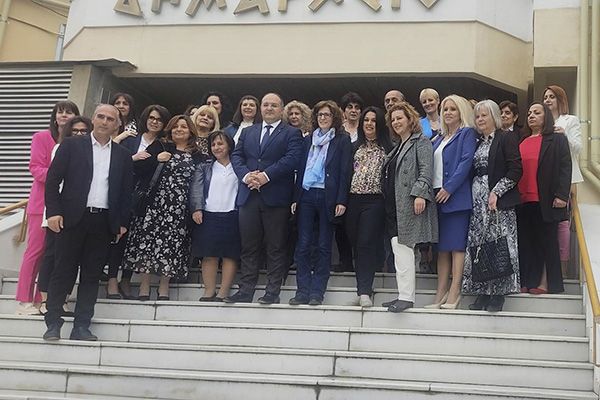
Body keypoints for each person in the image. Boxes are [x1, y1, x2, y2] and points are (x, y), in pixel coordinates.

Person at [43, 104, 133, 341]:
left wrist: (121, 222)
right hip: (71, 219)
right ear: (93, 119)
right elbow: (52, 180)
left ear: (118, 125)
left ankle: (81, 326)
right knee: (63, 272)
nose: (104, 121)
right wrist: (53, 212)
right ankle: (53, 323)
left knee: (92, 276)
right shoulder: (72, 145)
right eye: (100, 116)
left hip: (102, 222)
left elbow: (126, 192)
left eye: (110, 119)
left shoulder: (123, 155)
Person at [226, 92, 303, 304]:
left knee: (275, 246)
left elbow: (292, 159)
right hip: (249, 195)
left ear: (281, 109)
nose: (269, 108)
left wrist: (265, 176)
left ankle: (272, 292)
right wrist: (246, 176)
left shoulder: (291, 133)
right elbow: (236, 156)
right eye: (266, 105)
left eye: (274, 105)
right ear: (261, 108)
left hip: (276, 198)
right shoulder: (248, 131)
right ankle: (245, 290)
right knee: (248, 246)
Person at [123, 115, 201, 300]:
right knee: (148, 242)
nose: (179, 129)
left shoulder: (197, 154)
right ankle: (144, 286)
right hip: (155, 204)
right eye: (175, 127)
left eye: (183, 127)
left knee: (172, 245)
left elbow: (199, 182)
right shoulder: (160, 146)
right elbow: (138, 168)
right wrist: (156, 159)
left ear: (190, 131)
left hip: (179, 208)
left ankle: (164, 286)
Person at [15, 100, 80, 315]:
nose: (64, 116)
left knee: (53, 254)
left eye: (69, 112)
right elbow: (36, 168)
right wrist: (60, 176)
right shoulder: (42, 137)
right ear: (54, 117)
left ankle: (41, 299)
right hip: (41, 203)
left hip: (66, 205)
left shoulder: (77, 142)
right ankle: (24, 300)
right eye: (60, 112)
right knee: (35, 251)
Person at [289, 100, 352, 306]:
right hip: (307, 194)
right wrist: (295, 198)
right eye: (320, 115)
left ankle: (317, 292)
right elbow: (301, 169)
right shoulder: (308, 139)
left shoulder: (342, 140)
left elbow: (345, 172)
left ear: (334, 118)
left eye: (327, 115)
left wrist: (341, 200)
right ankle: (302, 291)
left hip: (328, 196)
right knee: (303, 244)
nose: (323, 118)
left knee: (325, 245)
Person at [462, 100, 522, 312]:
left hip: (498, 201)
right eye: (477, 116)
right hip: (477, 201)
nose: (480, 119)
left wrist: (497, 191)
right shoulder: (478, 142)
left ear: (494, 116)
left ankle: (498, 294)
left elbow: (516, 169)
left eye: (484, 115)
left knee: (499, 244)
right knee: (480, 244)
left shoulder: (505, 137)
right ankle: (483, 291)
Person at [382, 102, 438, 313]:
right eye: (393, 119)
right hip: (394, 205)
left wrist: (420, 194)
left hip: (409, 202)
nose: (396, 122)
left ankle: (406, 297)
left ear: (410, 119)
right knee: (398, 249)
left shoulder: (421, 141)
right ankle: (402, 294)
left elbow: (426, 170)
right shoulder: (397, 146)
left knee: (404, 248)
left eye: (400, 118)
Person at [112, 104, 171, 299]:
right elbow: (113, 161)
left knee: (134, 238)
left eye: (159, 120)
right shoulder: (130, 139)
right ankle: (111, 279)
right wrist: (134, 158)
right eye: (152, 118)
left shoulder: (164, 144)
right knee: (118, 237)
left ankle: (126, 279)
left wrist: (154, 159)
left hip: (144, 198)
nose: (155, 122)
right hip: (122, 192)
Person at [428, 95, 477, 309]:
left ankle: (455, 291)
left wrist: (449, 187)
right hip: (437, 196)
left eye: (453, 109)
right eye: (445, 109)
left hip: (455, 196)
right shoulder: (438, 138)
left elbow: (466, 162)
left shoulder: (466, 133)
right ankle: (440, 292)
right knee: (442, 248)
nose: (448, 113)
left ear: (461, 112)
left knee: (456, 246)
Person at [37, 116, 90, 316]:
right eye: (75, 131)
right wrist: (54, 211)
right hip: (57, 211)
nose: (79, 134)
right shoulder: (62, 148)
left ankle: (63, 299)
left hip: (77, 214)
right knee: (52, 255)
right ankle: (45, 299)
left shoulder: (90, 151)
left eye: (83, 131)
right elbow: (53, 181)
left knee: (71, 259)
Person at [517, 102, 571, 294]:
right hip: (522, 200)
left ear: (546, 116)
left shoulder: (557, 139)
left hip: (546, 198)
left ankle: (545, 283)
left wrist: (562, 195)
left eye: (537, 113)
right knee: (526, 242)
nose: (531, 116)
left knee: (547, 241)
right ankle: (527, 281)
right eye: (529, 113)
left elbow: (565, 167)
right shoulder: (522, 140)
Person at [345, 106, 394, 307]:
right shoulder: (354, 147)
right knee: (357, 243)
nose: (369, 124)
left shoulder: (388, 148)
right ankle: (363, 287)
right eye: (366, 120)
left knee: (366, 243)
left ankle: (364, 291)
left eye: (373, 120)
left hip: (375, 200)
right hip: (353, 200)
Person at [191, 131, 240, 301]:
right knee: (209, 254)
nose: (216, 147)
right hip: (209, 214)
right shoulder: (205, 167)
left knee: (229, 255)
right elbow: (197, 189)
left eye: (220, 144)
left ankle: (223, 291)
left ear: (229, 146)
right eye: (213, 144)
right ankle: (209, 290)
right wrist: (197, 209)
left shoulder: (238, 167)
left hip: (232, 215)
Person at [543, 85, 583, 276]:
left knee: (562, 224)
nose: (547, 100)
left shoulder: (570, 120)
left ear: (560, 99)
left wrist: (564, 135)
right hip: (545, 180)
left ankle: (563, 268)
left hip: (564, 180)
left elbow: (578, 148)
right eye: (545, 97)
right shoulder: (541, 122)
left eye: (552, 96)